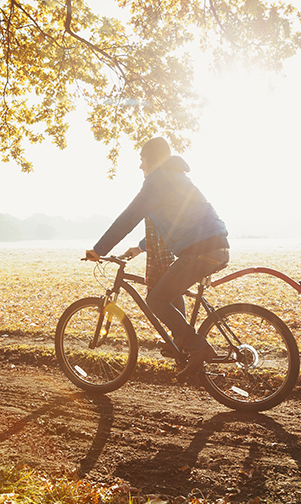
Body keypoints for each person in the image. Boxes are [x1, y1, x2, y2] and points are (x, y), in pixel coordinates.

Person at [86, 137, 229, 376]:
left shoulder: (157, 180)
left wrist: (99, 249)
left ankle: (197, 347)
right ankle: (183, 346)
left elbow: (129, 217)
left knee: (155, 300)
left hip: (199, 250)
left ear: (152, 159)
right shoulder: (177, 177)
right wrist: (141, 247)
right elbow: (174, 226)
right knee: (168, 293)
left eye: (142, 160)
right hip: (215, 246)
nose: (140, 166)